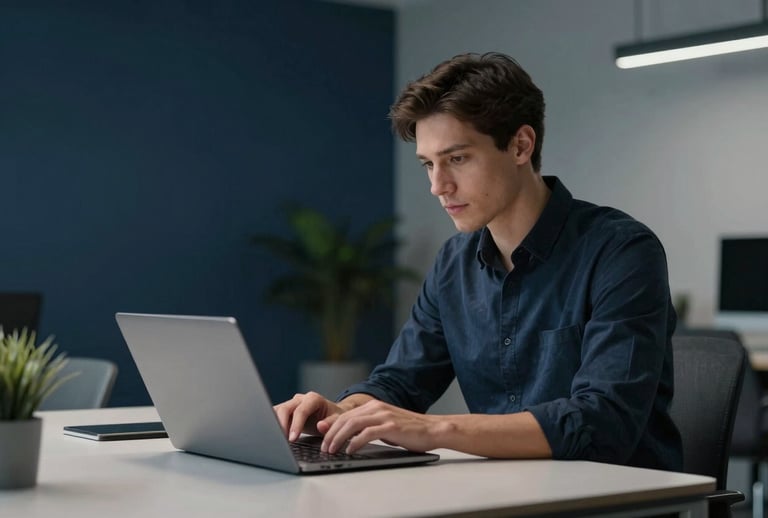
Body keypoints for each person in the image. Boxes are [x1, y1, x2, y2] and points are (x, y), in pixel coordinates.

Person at [274, 52, 682, 470]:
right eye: (428, 165)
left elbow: (602, 425)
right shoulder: (454, 263)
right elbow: (400, 381)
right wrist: (345, 411)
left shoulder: (622, 251)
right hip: (506, 494)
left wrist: (433, 430)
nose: (438, 186)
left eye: (457, 159)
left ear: (521, 145)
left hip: (619, 498)